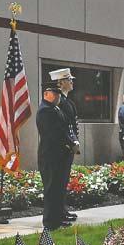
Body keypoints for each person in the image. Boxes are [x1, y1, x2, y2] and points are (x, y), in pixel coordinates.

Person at [36, 83, 77, 230]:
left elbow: (66, 128)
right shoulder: (45, 111)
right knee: (51, 189)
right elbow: (53, 134)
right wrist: (68, 143)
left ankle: (58, 218)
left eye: (58, 94)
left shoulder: (54, 108)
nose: (57, 97)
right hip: (51, 156)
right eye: (55, 94)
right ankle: (50, 222)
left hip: (60, 155)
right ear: (46, 94)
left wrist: (72, 142)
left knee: (59, 188)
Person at [49, 68, 79, 221]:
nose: (72, 82)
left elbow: (72, 125)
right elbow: (61, 127)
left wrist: (74, 141)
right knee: (58, 182)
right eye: (69, 80)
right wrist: (70, 142)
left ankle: (62, 210)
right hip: (60, 148)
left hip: (68, 147)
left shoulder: (67, 102)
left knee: (63, 181)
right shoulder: (58, 102)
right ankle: (58, 213)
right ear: (61, 83)